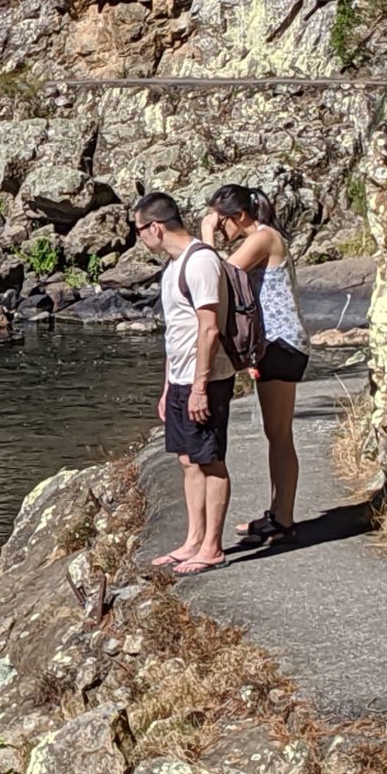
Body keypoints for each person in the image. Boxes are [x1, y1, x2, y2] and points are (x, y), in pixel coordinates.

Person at [200, 183, 310, 545]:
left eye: (221, 221)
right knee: (275, 434)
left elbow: (218, 276)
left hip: (281, 345)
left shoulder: (263, 238)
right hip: (276, 345)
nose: (220, 229)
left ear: (240, 216)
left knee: (279, 434)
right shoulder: (261, 237)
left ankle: (283, 519)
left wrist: (205, 237)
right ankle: (278, 514)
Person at [132, 192, 236, 572]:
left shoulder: (201, 262)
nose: (139, 238)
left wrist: (199, 387)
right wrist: (167, 388)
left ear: (156, 227)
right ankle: (193, 539)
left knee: (211, 461)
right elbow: (175, 333)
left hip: (205, 379)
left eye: (139, 230)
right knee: (188, 460)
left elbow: (208, 329)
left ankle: (212, 548)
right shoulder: (172, 267)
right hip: (179, 380)